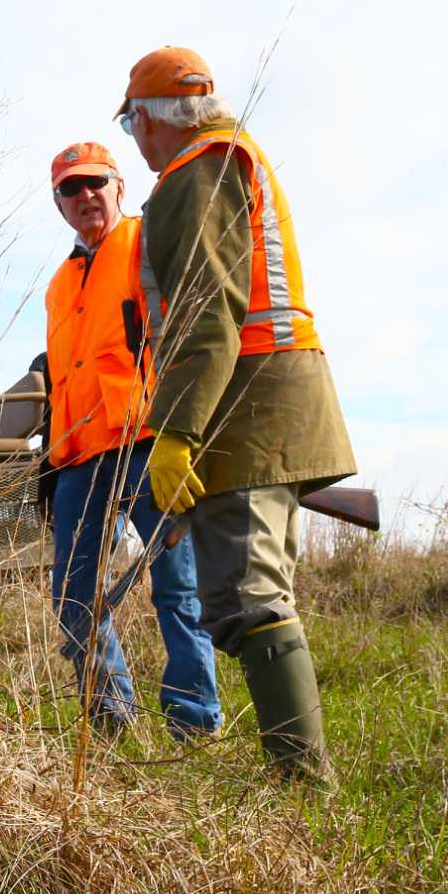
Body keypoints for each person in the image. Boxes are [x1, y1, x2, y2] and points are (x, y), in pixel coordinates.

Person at [118, 46, 357, 781]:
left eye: (132, 122)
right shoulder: (233, 159)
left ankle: (303, 785)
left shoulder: (197, 171)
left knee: (248, 598)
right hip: (274, 402)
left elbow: (208, 315)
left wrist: (176, 430)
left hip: (246, 407)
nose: (137, 139)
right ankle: (298, 775)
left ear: (155, 120)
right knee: (260, 594)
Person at [40, 140, 221, 738]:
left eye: (96, 182)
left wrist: (188, 428)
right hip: (80, 458)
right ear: (59, 203)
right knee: (73, 598)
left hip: (150, 443)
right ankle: (112, 718)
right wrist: (50, 459)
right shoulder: (59, 284)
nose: (85, 195)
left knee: (178, 589)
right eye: (71, 188)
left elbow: (200, 328)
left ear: (120, 187)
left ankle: (194, 725)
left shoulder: (150, 243)